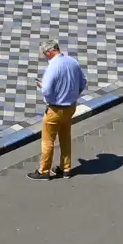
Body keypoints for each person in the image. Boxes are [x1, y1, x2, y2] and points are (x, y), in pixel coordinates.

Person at [31, 44, 85, 180]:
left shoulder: (52, 67)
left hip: (55, 110)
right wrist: (73, 95)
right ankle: (65, 168)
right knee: (65, 138)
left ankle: (44, 171)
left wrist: (42, 88)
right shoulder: (73, 61)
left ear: (49, 52)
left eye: (44, 54)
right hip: (70, 107)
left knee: (48, 141)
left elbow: (47, 90)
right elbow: (83, 82)